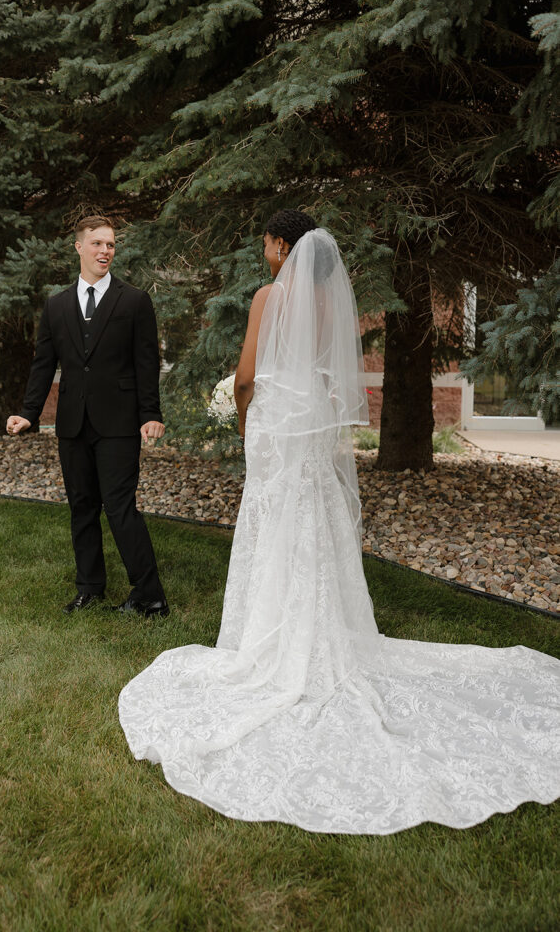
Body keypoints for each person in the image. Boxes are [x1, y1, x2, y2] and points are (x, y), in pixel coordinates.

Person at [117, 209, 560, 834]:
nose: (266, 253)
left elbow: (247, 374)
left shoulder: (270, 296)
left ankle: (270, 642)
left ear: (279, 246)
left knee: (275, 523)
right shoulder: (329, 303)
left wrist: (241, 411)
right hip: (314, 428)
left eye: (268, 243)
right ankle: (323, 631)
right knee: (315, 527)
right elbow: (329, 377)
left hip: (276, 425)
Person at [7, 214, 169, 618]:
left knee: (119, 507)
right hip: (72, 423)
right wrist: (30, 413)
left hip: (118, 423)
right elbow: (44, 363)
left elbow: (147, 362)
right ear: (79, 247)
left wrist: (150, 413)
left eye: (111, 244)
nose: (105, 251)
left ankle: (150, 596)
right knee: (81, 506)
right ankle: (90, 588)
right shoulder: (57, 304)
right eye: (97, 243)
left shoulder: (133, 301)